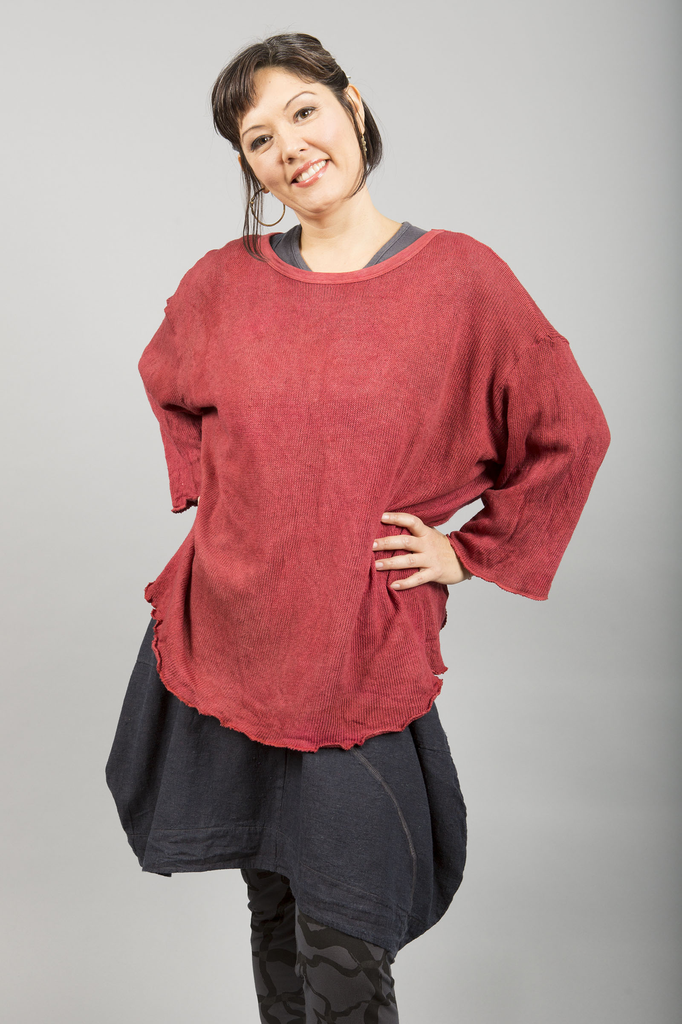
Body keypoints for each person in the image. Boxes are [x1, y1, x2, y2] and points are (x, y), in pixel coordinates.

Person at [106, 32, 611, 1023]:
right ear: (249, 167)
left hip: (356, 655)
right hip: (236, 643)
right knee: (274, 908)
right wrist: (233, 510)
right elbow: (168, 382)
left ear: (353, 105)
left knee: (343, 939)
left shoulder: (461, 280)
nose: (288, 146)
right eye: (258, 139)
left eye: (303, 111)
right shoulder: (222, 282)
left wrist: (464, 552)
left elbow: (570, 431)